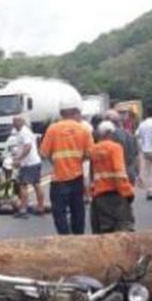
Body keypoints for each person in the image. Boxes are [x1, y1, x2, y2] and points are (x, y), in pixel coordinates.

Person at [39, 97, 94, 235]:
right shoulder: (83, 129)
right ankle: (78, 238)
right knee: (78, 211)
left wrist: (55, 160)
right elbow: (90, 154)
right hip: (77, 177)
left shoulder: (53, 129)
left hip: (59, 179)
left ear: (61, 113)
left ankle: (65, 239)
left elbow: (44, 153)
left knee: (59, 213)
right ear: (75, 111)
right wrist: (78, 160)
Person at [89, 120, 135, 233]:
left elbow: (92, 174)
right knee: (123, 227)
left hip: (100, 196)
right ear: (109, 133)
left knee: (104, 229)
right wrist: (128, 192)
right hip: (116, 194)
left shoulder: (94, 149)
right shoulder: (115, 148)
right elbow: (119, 172)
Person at [9, 115, 46, 218]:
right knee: (36, 184)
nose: (13, 124)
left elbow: (28, 147)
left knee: (23, 186)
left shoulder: (24, 132)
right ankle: (40, 208)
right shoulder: (22, 132)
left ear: (21, 122)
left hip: (29, 164)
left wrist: (18, 159)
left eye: (15, 121)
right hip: (33, 162)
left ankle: (23, 210)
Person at [105, 109, 140, 187]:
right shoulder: (131, 135)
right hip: (130, 171)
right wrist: (137, 173)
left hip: (116, 173)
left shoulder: (110, 137)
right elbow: (136, 156)